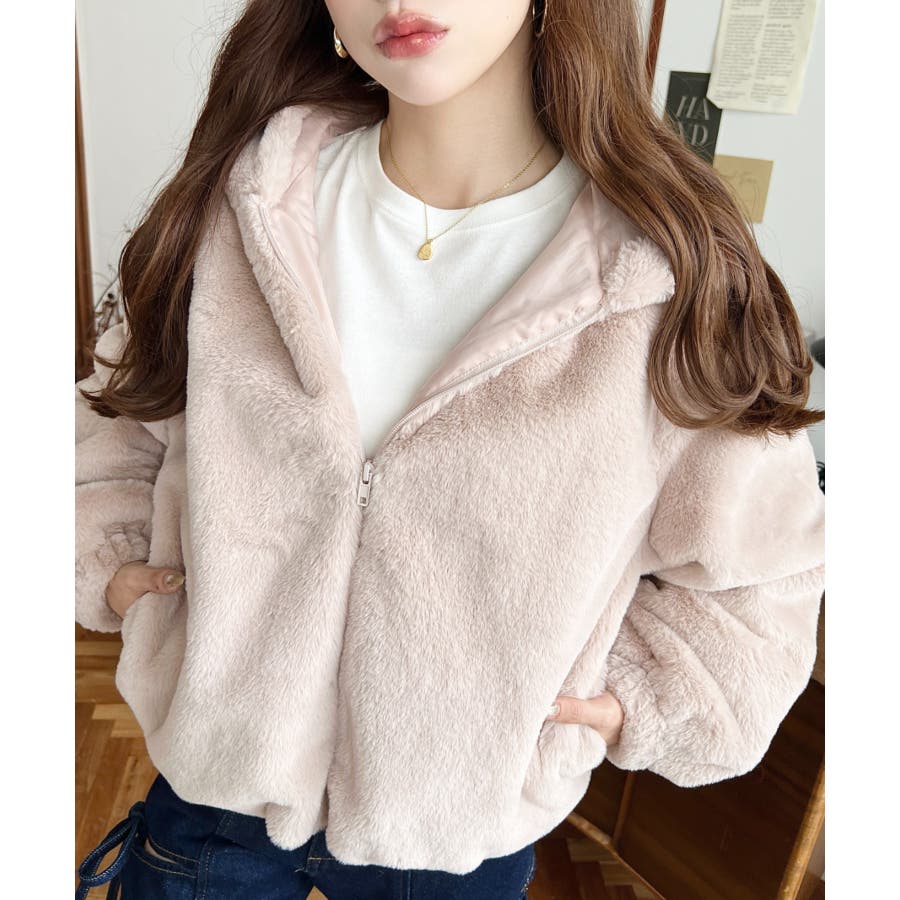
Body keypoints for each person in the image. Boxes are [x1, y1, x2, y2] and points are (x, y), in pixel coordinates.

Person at [74, 0, 826, 897]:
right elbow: (118, 416)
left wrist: (639, 692)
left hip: (453, 832)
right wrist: (110, 559)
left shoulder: (663, 275)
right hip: (212, 792)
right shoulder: (240, 207)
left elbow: (767, 568)